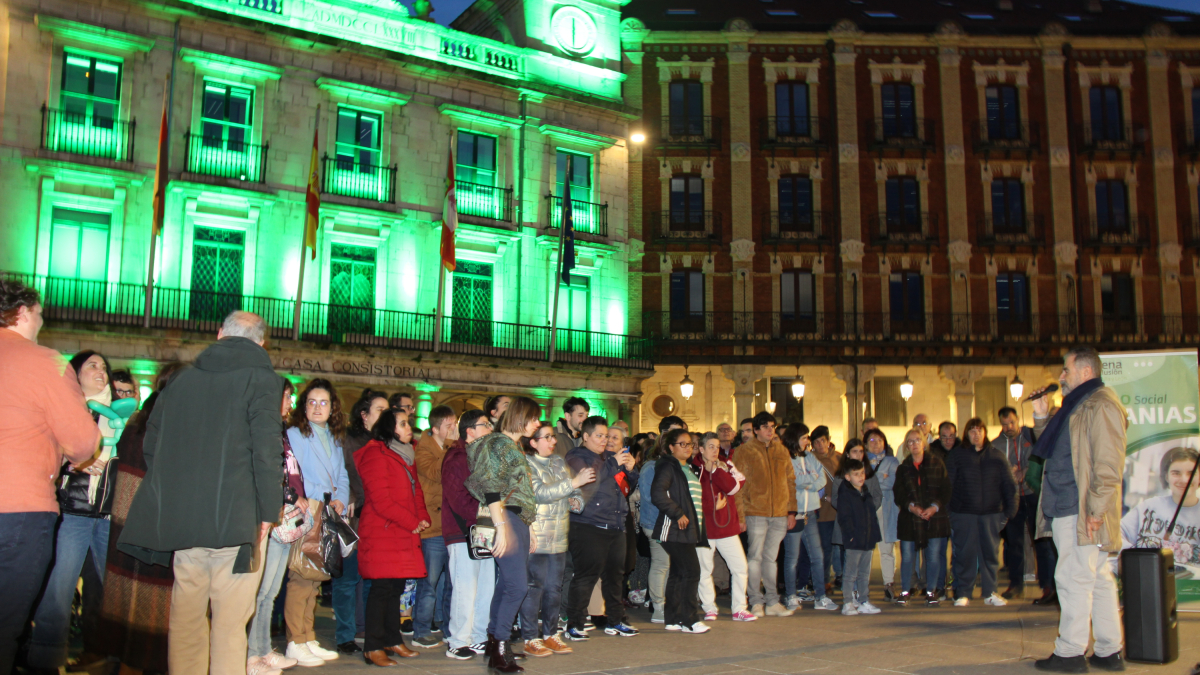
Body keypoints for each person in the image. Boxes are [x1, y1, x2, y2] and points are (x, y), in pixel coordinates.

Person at [118, 311, 284, 675]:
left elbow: (153, 444)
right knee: (230, 620)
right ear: (260, 343)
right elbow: (267, 451)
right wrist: (269, 512)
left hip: (185, 520)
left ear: (219, 332)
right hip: (238, 521)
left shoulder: (181, 380)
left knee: (187, 613)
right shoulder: (263, 380)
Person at [0, 280, 100, 675]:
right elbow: (82, 441)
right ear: (23, 313)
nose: (42, 321)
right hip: (20, 509)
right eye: (40, 314)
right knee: (7, 625)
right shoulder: (46, 361)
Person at [1030, 346, 1127, 673]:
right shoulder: (1076, 405)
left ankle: (1070, 652)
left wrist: (1096, 509)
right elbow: (1055, 450)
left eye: (1066, 370)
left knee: (1073, 579)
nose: (1060, 377)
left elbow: (1109, 464)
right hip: (1068, 506)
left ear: (1085, 371)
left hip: (1081, 508)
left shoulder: (1101, 404)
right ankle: (1109, 650)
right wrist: (1042, 416)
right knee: (1097, 579)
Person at [26, 350, 121, 674]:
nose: (101, 370)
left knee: (115, 591)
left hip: (108, 515)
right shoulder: (66, 411)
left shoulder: (118, 415)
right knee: (59, 591)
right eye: (92, 365)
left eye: (103, 366)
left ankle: (111, 654)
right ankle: (46, 661)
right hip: (74, 512)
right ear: (74, 375)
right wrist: (71, 460)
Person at [97, 363, 187, 675]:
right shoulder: (174, 428)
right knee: (153, 605)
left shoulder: (139, 425)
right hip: (155, 533)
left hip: (127, 530)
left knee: (126, 601)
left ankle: (123, 659)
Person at [465, 396, 544, 673]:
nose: (537, 423)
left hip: (515, 520)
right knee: (517, 586)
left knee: (507, 585)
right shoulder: (499, 443)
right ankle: (499, 646)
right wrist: (502, 527)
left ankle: (496, 644)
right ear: (520, 416)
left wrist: (529, 526)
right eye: (534, 418)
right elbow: (489, 485)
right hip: (505, 518)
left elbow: (520, 492)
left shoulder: (512, 445)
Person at [355, 406, 427, 666]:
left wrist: (421, 517)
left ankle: (392, 639)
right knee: (382, 588)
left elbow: (415, 489)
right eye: (404, 423)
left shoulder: (406, 455)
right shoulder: (375, 454)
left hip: (402, 530)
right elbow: (380, 499)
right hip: (383, 530)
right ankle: (372, 646)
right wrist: (412, 522)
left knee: (396, 587)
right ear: (389, 429)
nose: (409, 428)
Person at [284, 379, 349, 666]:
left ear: (332, 407)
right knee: (301, 576)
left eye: (323, 402)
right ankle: (294, 640)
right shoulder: (295, 434)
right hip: (308, 508)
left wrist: (341, 498)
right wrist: (320, 496)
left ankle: (308, 636)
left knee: (316, 578)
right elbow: (292, 471)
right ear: (304, 405)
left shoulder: (334, 437)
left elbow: (342, 475)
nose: (317, 407)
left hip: (327, 510)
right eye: (312, 401)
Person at [520, 422, 595, 657]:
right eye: (548, 437)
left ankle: (551, 634)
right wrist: (574, 484)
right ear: (533, 442)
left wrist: (576, 500)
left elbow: (573, 490)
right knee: (534, 588)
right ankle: (530, 637)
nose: (553, 441)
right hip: (537, 536)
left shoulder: (558, 462)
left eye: (553, 436)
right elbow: (539, 493)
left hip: (559, 534)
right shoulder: (525, 464)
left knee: (555, 588)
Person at [245, 381, 304, 675]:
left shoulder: (281, 431)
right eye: (287, 396)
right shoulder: (262, 428)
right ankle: (251, 655)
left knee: (270, 590)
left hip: (284, 517)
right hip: (267, 516)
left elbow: (290, 472)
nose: (290, 403)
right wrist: (290, 496)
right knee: (259, 589)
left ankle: (264, 649)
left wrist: (297, 497)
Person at [564, 416, 640, 640]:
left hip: (615, 523)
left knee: (615, 576)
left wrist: (632, 470)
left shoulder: (609, 457)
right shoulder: (576, 456)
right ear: (585, 436)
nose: (604, 440)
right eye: (599, 436)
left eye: (606, 436)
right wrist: (614, 463)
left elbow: (627, 487)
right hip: (588, 524)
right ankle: (575, 623)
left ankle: (615, 620)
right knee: (586, 576)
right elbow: (591, 480)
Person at [442, 410, 496, 660]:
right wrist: (486, 512)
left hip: (484, 529)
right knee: (465, 587)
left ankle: (478, 636)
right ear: (470, 431)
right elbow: (458, 499)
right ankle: (458, 640)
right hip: (463, 530)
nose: (491, 429)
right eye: (486, 425)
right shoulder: (457, 458)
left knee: (485, 586)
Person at [947, 418, 1017, 608]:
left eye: (979, 430)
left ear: (985, 432)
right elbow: (948, 486)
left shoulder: (997, 456)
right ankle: (963, 593)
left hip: (991, 514)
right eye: (972, 431)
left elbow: (1009, 486)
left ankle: (990, 592)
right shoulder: (957, 456)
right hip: (964, 514)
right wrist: (950, 512)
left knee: (990, 555)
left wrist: (1009, 512)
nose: (976, 434)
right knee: (964, 555)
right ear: (966, 434)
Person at [736, 412, 798, 618]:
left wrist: (791, 511)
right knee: (755, 558)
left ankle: (772, 601)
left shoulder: (782, 450)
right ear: (755, 430)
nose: (770, 430)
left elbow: (790, 481)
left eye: (772, 426)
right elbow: (738, 486)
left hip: (779, 513)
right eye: (765, 427)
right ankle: (755, 601)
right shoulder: (744, 451)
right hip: (755, 512)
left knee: (771, 559)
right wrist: (741, 516)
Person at [342, 389, 391, 646]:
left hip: (378, 518)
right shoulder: (350, 440)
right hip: (355, 516)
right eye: (380, 410)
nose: (385, 414)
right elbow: (341, 471)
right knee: (351, 578)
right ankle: (349, 631)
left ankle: (369, 626)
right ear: (364, 415)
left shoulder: (386, 442)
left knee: (373, 576)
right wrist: (349, 494)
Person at [650, 429, 709, 633]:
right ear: (671, 447)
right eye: (682, 444)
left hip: (688, 529)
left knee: (678, 573)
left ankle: (673, 619)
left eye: (690, 444)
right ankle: (690, 620)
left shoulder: (688, 468)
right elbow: (657, 494)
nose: (687, 448)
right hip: (674, 528)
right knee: (691, 571)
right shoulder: (668, 466)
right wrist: (677, 513)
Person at [695, 432, 754, 621]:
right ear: (702, 449)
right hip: (705, 527)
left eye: (717, 446)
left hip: (726, 526)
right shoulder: (693, 469)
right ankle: (709, 607)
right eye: (710, 446)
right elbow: (692, 498)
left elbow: (734, 487)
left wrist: (717, 470)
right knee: (705, 569)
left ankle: (739, 608)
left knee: (740, 567)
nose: (715, 450)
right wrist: (711, 505)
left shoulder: (725, 465)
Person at [412, 405, 456, 649]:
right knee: (428, 583)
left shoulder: (451, 447)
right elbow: (436, 472)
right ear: (436, 428)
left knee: (451, 582)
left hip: (451, 526)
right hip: (433, 526)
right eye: (449, 426)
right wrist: (452, 447)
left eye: (454, 425)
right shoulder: (423, 449)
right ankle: (421, 629)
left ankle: (448, 627)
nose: (454, 430)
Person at [781, 424, 838, 611]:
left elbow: (821, 480)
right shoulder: (786, 458)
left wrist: (808, 483)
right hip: (794, 513)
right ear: (795, 438)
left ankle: (820, 596)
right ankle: (791, 596)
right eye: (805, 437)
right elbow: (792, 480)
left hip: (811, 512)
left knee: (818, 555)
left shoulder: (811, 457)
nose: (808, 441)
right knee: (792, 558)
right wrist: (809, 480)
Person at [893, 428, 951, 606]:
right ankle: (905, 590)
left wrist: (933, 508)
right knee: (908, 557)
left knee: (933, 556)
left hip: (934, 518)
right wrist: (912, 508)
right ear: (906, 446)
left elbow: (945, 490)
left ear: (924, 442)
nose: (914, 444)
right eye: (910, 441)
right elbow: (899, 493)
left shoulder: (937, 463)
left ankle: (931, 591)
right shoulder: (903, 468)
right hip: (910, 519)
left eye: (917, 440)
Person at [635, 416, 683, 624]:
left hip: (672, 522)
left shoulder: (677, 465)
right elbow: (649, 496)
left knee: (669, 565)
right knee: (662, 564)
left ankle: (666, 605)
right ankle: (658, 607)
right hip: (657, 522)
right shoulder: (652, 466)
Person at [1121, 447, 1199, 565]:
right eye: (1176, 473)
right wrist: (1136, 558)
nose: (1184, 479)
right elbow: (1117, 533)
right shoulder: (1148, 507)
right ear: (1166, 477)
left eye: (1191, 473)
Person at [994, 406, 1038, 600]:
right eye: (1004, 424)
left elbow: (1039, 460)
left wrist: (1025, 471)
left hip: (1032, 494)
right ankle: (1015, 584)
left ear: (1018, 419)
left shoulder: (1031, 438)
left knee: (1041, 541)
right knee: (1014, 542)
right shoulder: (995, 445)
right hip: (1011, 499)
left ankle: (1048, 585)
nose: (1008, 427)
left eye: (1011, 422)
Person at [837, 458, 882, 615]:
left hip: (867, 540)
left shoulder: (866, 492)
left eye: (862, 473)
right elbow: (844, 518)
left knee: (864, 573)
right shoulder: (845, 494)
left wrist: (874, 535)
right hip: (854, 541)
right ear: (848, 477)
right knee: (850, 573)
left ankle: (864, 600)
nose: (861, 477)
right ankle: (848, 602)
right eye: (856, 474)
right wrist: (850, 536)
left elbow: (872, 516)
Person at [863, 428, 901, 601]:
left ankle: (889, 584)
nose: (876, 444)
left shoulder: (892, 461)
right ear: (865, 444)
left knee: (887, 548)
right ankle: (863, 585)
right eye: (872, 440)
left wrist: (873, 480)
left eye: (879, 440)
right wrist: (881, 477)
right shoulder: (861, 462)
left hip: (886, 508)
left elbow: (892, 482)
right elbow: (860, 482)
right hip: (867, 509)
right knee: (867, 549)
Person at [809, 427, 843, 591]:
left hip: (841, 509)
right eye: (816, 442)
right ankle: (823, 580)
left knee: (841, 546)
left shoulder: (839, 457)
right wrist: (824, 498)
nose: (820, 444)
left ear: (828, 440)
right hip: (823, 510)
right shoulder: (811, 460)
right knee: (825, 548)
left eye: (823, 440)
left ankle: (842, 576)